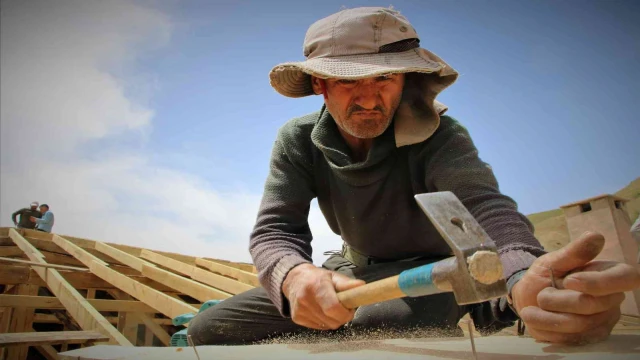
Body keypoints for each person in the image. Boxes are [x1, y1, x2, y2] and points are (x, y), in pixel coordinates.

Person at [188, 7, 640, 345]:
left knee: (385, 323)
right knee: (210, 330)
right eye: (348, 82)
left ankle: (477, 309)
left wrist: (522, 273)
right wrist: (293, 277)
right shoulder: (297, 139)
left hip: (436, 273)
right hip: (350, 270)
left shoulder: (441, 134)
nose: (369, 99)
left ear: (406, 79)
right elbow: (275, 230)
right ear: (320, 85)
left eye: (384, 80)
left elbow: (488, 208)